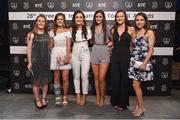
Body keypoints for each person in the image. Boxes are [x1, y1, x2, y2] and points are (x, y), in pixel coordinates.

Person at [128, 12, 155, 117]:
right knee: (136, 86)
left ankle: (141, 107)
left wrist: (144, 63)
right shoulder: (134, 31)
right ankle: (138, 107)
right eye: (137, 20)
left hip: (142, 61)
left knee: (135, 85)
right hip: (134, 60)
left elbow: (151, 49)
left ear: (145, 21)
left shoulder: (149, 32)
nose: (139, 22)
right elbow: (132, 46)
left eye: (141, 20)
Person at [110, 10, 134, 111]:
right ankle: (115, 101)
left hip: (125, 56)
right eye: (117, 17)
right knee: (115, 79)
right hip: (115, 56)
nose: (119, 18)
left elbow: (134, 44)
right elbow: (113, 43)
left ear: (125, 17)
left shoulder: (131, 29)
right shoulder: (112, 29)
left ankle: (123, 103)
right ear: (116, 18)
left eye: (121, 16)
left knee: (124, 80)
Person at [27, 15, 51, 109]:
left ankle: (43, 98)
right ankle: (37, 99)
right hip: (35, 61)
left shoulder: (48, 34)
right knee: (36, 82)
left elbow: (50, 47)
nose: (41, 23)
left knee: (45, 82)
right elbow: (29, 49)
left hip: (46, 61)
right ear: (36, 22)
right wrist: (29, 62)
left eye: (43, 21)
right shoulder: (31, 34)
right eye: (39, 21)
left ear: (45, 23)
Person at [49, 13, 72, 106]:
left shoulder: (67, 31)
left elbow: (68, 45)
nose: (59, 21)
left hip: (65, 53)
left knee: (65, 78)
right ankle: (58, 97)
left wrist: (67, 57)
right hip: (55, 54)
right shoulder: (52, 31)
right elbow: (51, 45)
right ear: (55, 20)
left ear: (64, 20)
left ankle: (65, 97)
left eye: (61, 19)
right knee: (56, 78)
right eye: (58, 19)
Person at [71, 10, 92, 106]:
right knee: (76, 75)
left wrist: (83, 27)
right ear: (74, 19)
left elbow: (90, 39)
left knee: (84, 75)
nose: (79, 19)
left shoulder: (87, 29)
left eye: (80, 17)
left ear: (83, 18)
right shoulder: (71, 30)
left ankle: (84, 96)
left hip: (85, 51)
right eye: (77, 17)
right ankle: (78, 94)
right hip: (75, 51)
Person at [90, 10, 110, 107]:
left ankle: (102, 97)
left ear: (103, 18)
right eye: (96, 17)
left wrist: (109, 44)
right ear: (95, 18)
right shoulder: (91, 28)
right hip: (94, 51)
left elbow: (114, 40)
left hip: (104, 51)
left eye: (100, 16)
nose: (98, 18)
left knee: (102, 77)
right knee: (96, 77)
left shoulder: (107, 28)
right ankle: (98, 96)